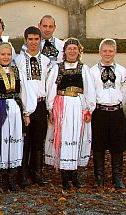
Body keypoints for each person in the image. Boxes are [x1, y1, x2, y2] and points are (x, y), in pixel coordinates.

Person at [44, 38, 96, 190]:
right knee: (63, 138)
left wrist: (88, 109)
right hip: (62, 107)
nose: (72, 51)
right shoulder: (57, 68)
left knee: (76, 138)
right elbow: (51, 89)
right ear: (64, 51)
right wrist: (51, 109)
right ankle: (64, 176)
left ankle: (74, 174)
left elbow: (90, 90)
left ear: (79, 51)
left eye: (75, 48)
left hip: (78, 106)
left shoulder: (83, 68)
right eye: (69, 48)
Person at [0, 42, 35, 193]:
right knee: (1, 141)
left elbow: (24, 93)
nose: (5, 57)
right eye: (2, 54)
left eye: (8, 54)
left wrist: (26, 112)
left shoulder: (18, 71)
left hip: (15, 110)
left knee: (14, 142)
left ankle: (11, 178)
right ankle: (0, 179)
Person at [14, 27, 51, 188]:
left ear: (41, 40)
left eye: (37, 39)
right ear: (25, 40)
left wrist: (50, 108)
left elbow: (49, 85)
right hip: (25, 105)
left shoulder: (46, 61)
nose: (34, 42)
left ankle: (36, 173)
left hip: (41, 103)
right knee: (25, 140)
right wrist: (23, 109)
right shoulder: (18, 61)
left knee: (38, 140)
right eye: (30, 39)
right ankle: (22, 175)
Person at [90, 38, 126, 189]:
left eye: (110, 51)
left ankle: (117, 177)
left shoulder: (121, 71)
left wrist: (117, 106)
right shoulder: (92, 71)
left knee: (117, 145)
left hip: (116, 112)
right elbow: (90, 93)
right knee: (98, 145)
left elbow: (124, 92)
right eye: (105, 51)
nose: (107, 54)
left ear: (115, 52)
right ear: (100, 52)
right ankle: (99, 177)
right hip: (99, 112)